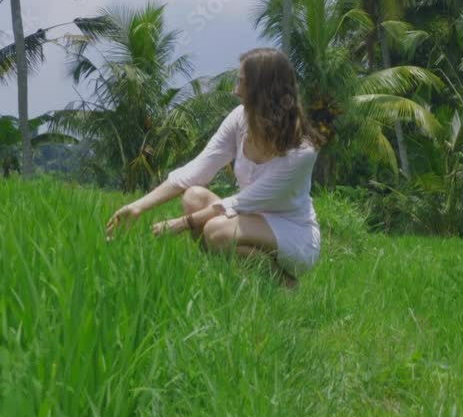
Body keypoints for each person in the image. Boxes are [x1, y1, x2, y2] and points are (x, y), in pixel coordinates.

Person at [105, 48, 326, 288]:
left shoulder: (301, 151)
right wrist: (137, 207)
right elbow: (195, 172)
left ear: (262, 90)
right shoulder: (239, 120)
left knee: (217, 231)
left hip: (294, 235)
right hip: (250, 219)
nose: (235, 90)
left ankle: (286, 286)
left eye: (241, 82)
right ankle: (223, 279)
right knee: (194, 196)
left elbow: (241, 201)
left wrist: (180, 224)